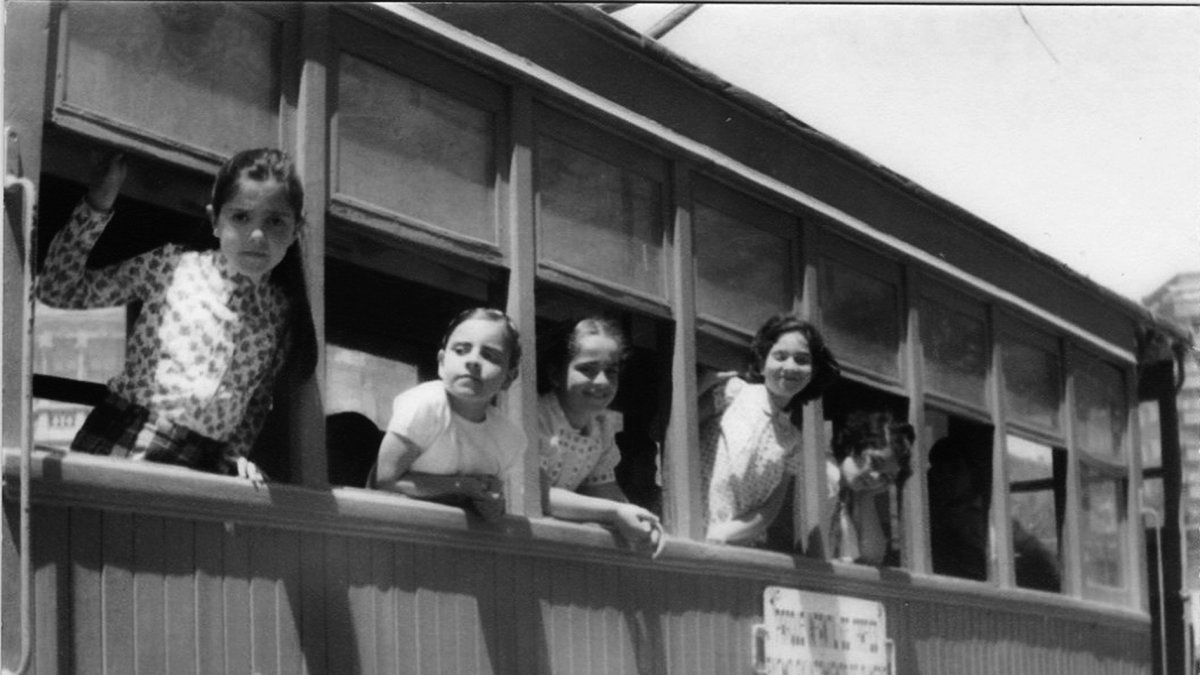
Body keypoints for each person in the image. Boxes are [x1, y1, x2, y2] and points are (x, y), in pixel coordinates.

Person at [37, 149, 317, 480]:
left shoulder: (281, 311)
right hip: (125, 441)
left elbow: (257, 399)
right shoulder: (170, 266)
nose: (257, 235)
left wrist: (236, 454)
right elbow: (59, 291)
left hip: (205, 464)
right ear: (215, 221)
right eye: (241, 217)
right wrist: (97, 204)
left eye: (275, 221)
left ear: (295, 229)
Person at [369, 308, 527, 522]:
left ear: (509, 377)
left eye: (489, 355)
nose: (473, 361)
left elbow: (491, 500)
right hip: (392, 526)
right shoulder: (424, 404)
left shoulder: (509, 438)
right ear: (442, 363)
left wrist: (492, 504)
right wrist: (462, 486)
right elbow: (386, 480)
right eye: (461, 350)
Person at [699, 313, 840, 547]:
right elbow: (672, 432)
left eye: (802, 360)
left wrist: (725, 533)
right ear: (762, 363)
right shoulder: (734, 393)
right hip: (692, 528)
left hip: (734, 543)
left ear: (812, 372)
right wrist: (704, 381)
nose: (790, 367)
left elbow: (770, 508)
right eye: (780, 356)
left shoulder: (792, 439)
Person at [537, 317, 662, 554]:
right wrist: (614, 513)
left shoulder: (601, 427)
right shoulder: (538, 415)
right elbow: (538, 495)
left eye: (611, 372)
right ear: (555, 374)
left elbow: (603, 489)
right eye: (587, 369)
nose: (602, 381)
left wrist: (640, 519)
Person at [827, 411, 913, 565]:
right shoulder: (828, 476)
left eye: (885, 477)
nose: (875, 477)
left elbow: (873, 557)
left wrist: (866, 496)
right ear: (854, 444)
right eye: (875, 462)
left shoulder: (850, 495)